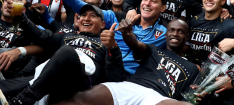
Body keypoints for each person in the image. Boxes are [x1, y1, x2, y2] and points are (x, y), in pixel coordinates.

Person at [30, 19, 200, 105]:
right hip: (129, 87)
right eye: (172, 30)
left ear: (187, 37)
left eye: (181, 31)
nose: (175, 34)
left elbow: (189, 96)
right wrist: (126, 32)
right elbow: (134, 43)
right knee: (78, 99)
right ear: (166, 33)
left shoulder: (193, 68)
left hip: (156, 98)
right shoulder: (155, 50)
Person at [57, 0, 168, 75]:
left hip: (132, 78)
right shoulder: (120, 17)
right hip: (104, 67)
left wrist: (128, 35)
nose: (147, 4)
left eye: (153, 1)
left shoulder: (164, 33)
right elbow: (92, 11)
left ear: (163, 7)